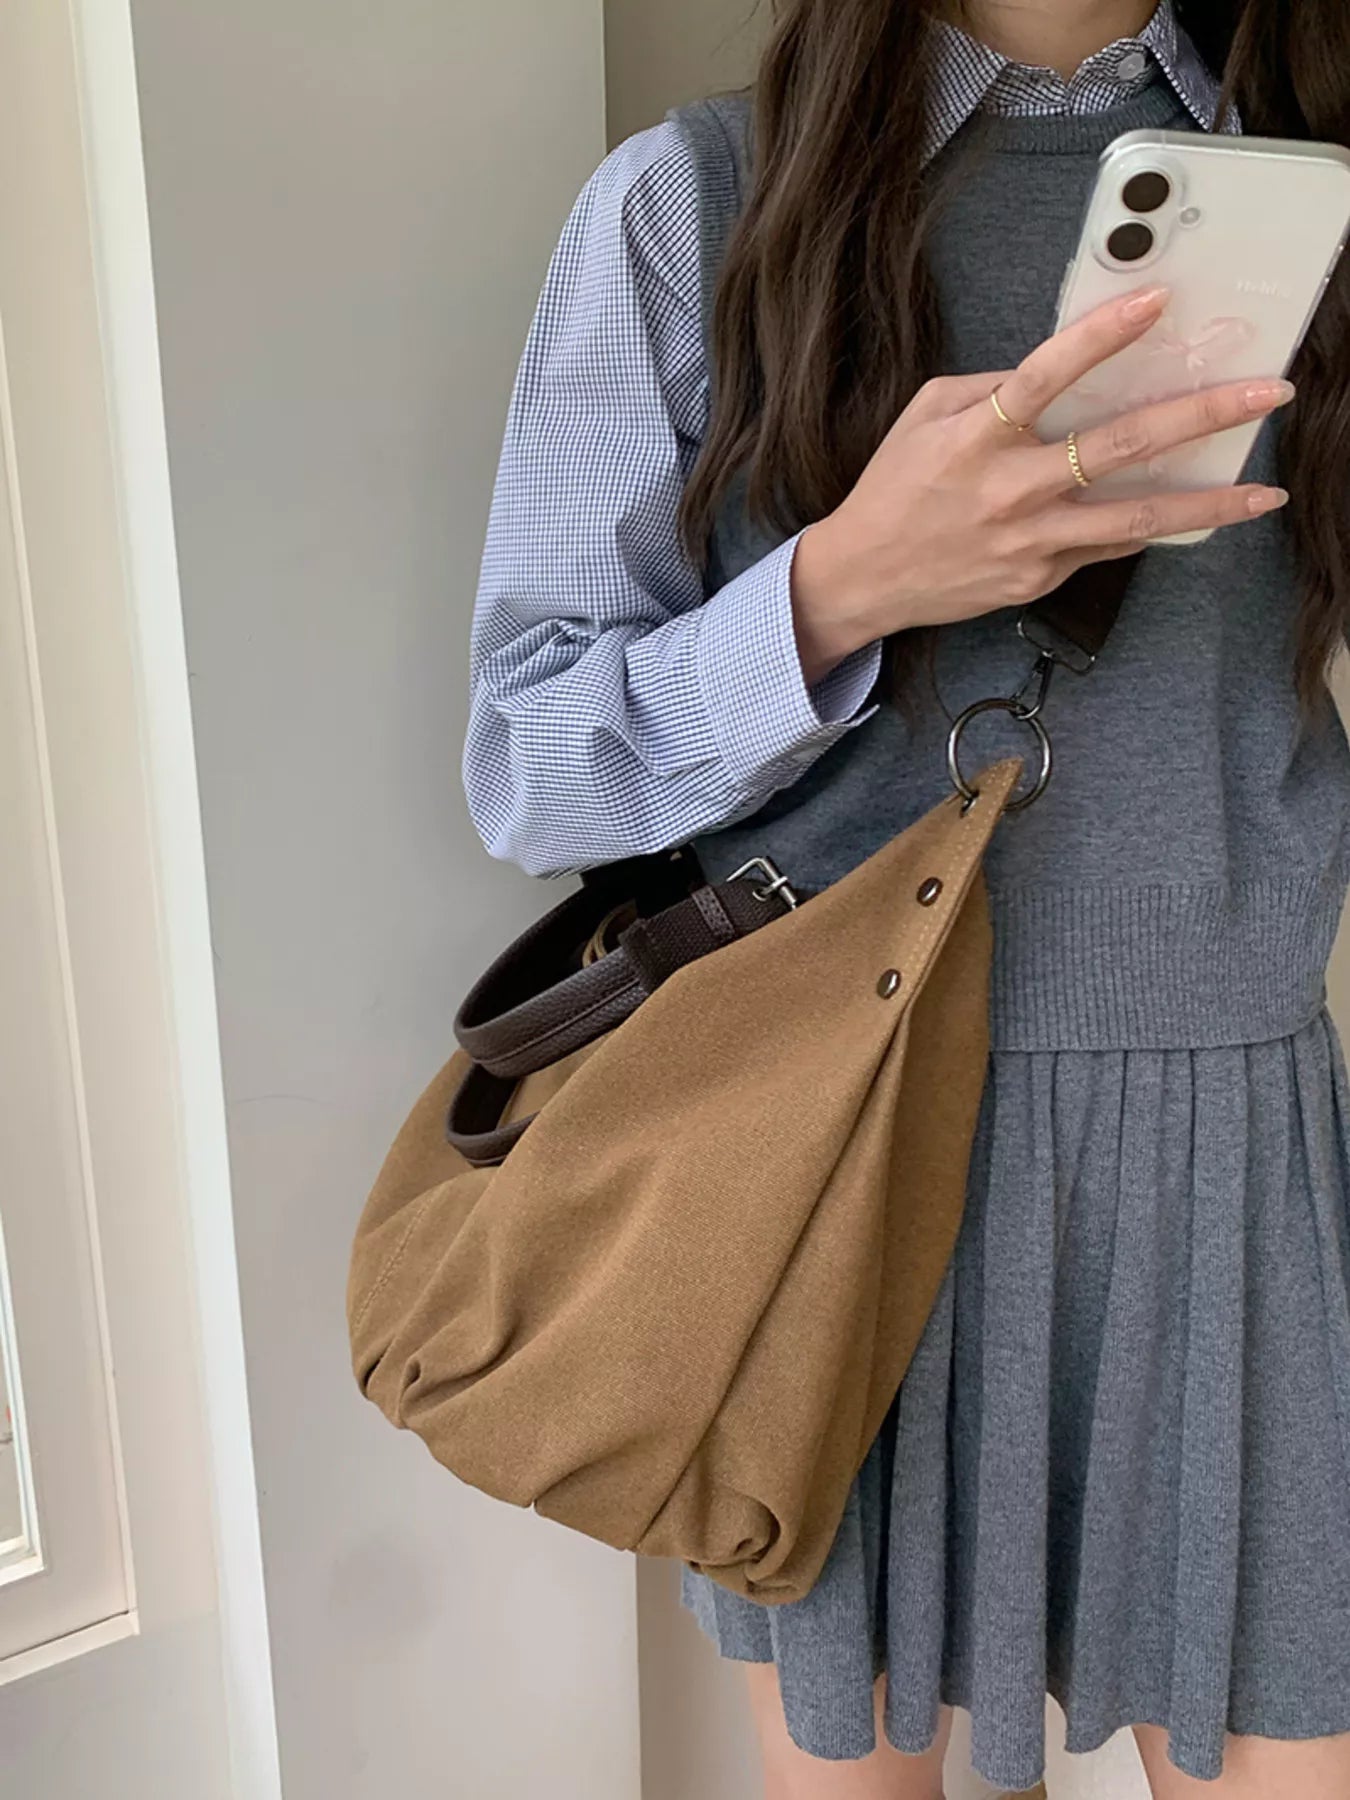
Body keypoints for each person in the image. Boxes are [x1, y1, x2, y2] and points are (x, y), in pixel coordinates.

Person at [463, 2, 1350, 1795]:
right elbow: (531, 758)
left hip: (1229, 1150)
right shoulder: (697, 203)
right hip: (825, 1153)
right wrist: (842, 585)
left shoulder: (1312, 187)